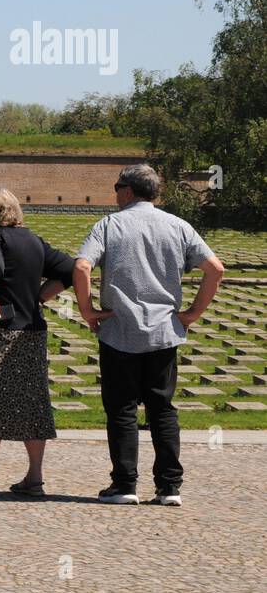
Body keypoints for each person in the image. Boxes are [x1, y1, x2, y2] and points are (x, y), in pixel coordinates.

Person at [73, 164, 224, 507]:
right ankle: (169, 487)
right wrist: (192, 314)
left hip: (119, 331)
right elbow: (215, 269)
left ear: (127, 191)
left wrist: (87, 309)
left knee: (122, 409)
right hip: (163, 332)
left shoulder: (109, 225)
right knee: (162, 409)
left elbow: (81, 266)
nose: (115, 193)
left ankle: (125, 484)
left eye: (116, 187)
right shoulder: (178, 226)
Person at [0, 188, 76, 500]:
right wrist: (39, 296)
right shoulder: (33, 241)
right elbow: (71, 269)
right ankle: (34, 479)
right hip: (32, 334)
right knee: (33, 402)